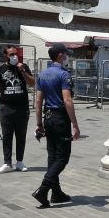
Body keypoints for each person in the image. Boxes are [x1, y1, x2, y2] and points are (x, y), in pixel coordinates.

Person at [32, 43, 80, 207]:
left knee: (52, 156)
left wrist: (39, 123)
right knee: (62, 157)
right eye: (65, 54)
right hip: (60, 118)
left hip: (48, 117)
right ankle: (43, 189)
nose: (67, 57)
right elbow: (67, 100)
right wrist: (75, 124)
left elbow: (38, 101)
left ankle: (56, 193)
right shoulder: (64, 75)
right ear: (60, 55)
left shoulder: (43, 74)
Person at [0, 45, 35, 174]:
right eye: (11, 55)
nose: (15, 56)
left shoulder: (23, 67)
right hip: (6, 108)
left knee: (21, 136)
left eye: (16, 54)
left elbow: (32, 83)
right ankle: (7, 163)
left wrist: (23, 71)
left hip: (22, 108)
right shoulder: (0, 70)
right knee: (7, 136)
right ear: (5, 56)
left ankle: (19, 162)